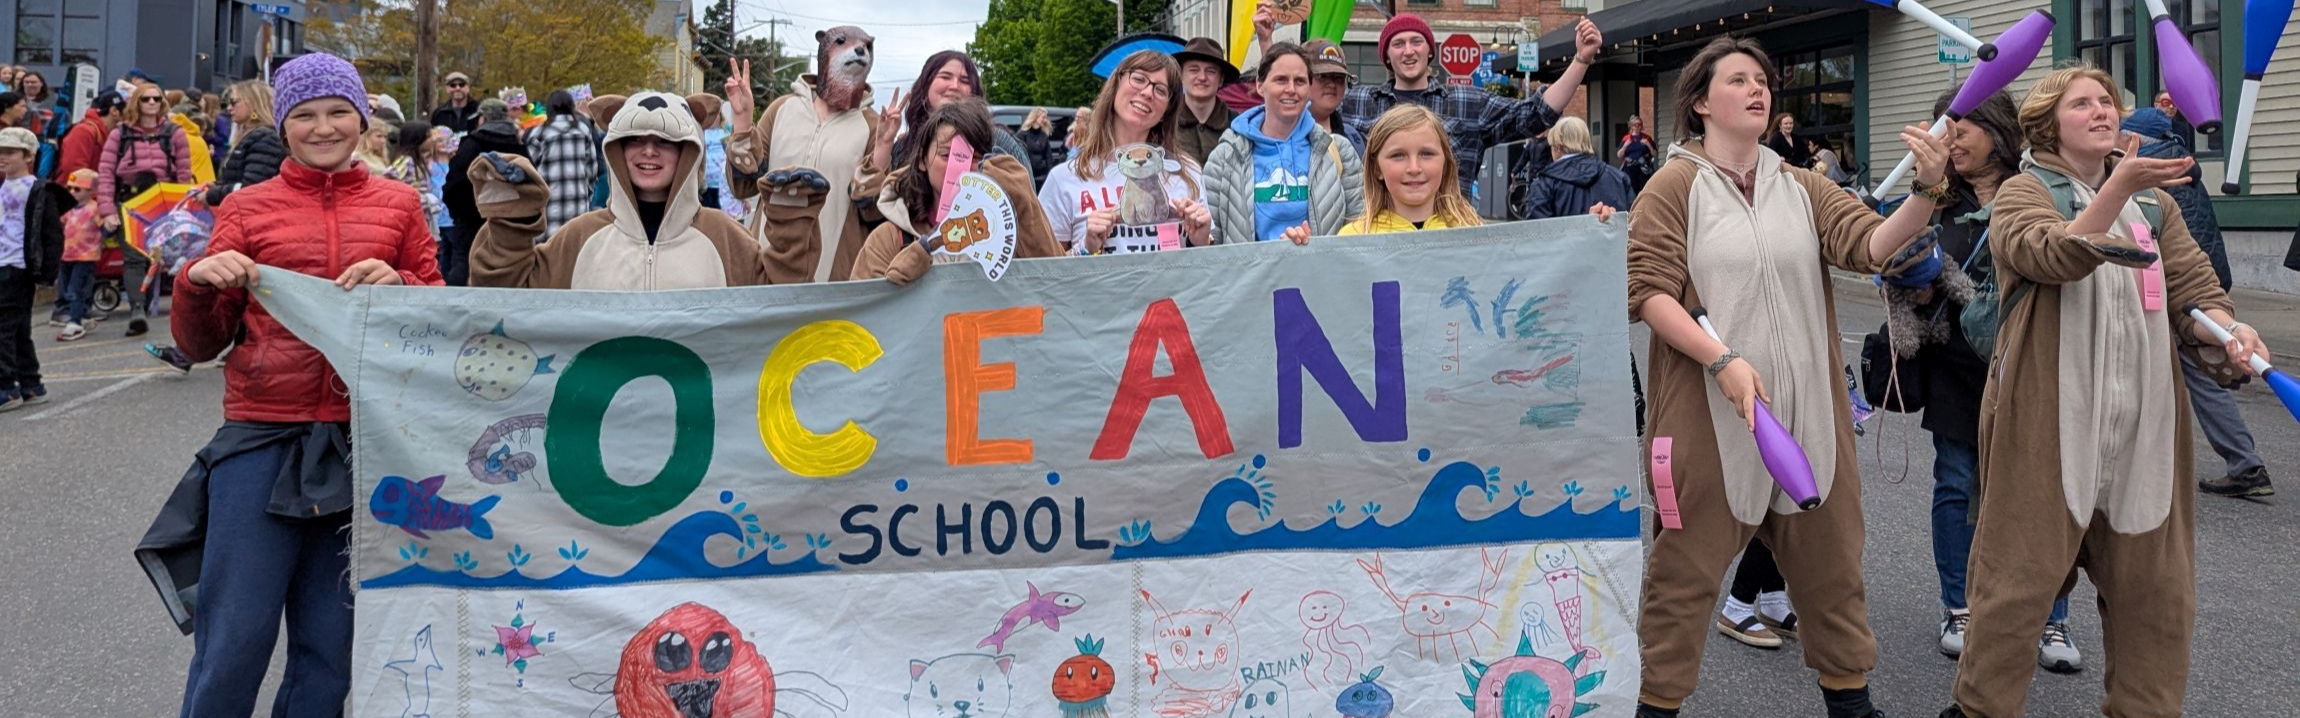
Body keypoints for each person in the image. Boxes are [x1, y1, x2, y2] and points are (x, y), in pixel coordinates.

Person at [1625, 36, 1948, 718]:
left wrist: (1924, 191)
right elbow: (1649, 293)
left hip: (1810, 419)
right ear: (1701, 102)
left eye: (1763, 80)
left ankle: (1851, 704)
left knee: (1834, 578)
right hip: (1709, 421)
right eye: (1738, 79)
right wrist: (1722, 361)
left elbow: (1871, 247)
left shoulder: (1802, 185)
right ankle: (1656, 705)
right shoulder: (1673, 185)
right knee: (1680, 584)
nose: (1757, 89)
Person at [1941, 62, 2269, 718]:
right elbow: (2048, 255)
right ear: (2046, 124)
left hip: (2145, 435)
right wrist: (2117, 186)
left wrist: (2230, 334)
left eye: (2107, 101)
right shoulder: (2023, 193)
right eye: (2082, 103)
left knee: (2158, 609)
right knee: (2012, 600)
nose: (2102, 111)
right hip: (2048, 430)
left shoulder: (2156, 204)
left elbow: (2196, 292)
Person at [152, 53, 441, 718]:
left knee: (331, 650)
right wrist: (196, 282)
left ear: (362, 118)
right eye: (305, 115)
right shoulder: (248, 208)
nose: (324, 127)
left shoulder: (400, 205)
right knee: (233, 641)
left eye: (339, 111)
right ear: (283, 126)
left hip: (364, 444)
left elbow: (437, 315)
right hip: (261, 436)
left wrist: (401, 287)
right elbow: (201, 344)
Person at [1887, 88, 2087, 673]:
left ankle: (2050, 616)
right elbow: (1896, 260)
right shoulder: (1935, 201)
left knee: (2042, 494)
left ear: (1998, 128)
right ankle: (1960, 607)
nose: (1953, 139)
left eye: (1965, 125)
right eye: (1947, 129)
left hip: (2033, 363)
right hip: (1958, 366)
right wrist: (1911, 282)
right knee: (1956, 482)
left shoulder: (2041, 192)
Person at [467, 92, 789, 290]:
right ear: (615, 149)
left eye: (665, 141)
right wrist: (510, 221)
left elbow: (780, 304)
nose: (648, 151)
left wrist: (793, 220)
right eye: (635, 139)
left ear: (689, 152)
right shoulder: (580, 237)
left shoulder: (723, 236)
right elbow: (506, 295)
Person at [2119, 105, 2274, 497]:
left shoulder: (2157, 178)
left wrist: (2214, 317)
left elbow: (2175, 250)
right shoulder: (2175, 167)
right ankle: (2244, 464)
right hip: (2199, 285)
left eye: (2124, 134)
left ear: (2137, 140)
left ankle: (2243, 465)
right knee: (2196, 376)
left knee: (2186, 376)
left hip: (2184, 290)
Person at [1340, 13, 1603, 192]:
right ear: (1386, 55)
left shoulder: (1467, 101)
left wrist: (1581, 60)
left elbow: (1536, 114)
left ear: (1430, 50)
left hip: (1451, 239)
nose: (1408, 51)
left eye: (1416, 42)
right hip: (1381, 239)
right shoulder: (1358, 102)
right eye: (1398, 44)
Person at [720, 26, 881, 283]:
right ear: (824, 50)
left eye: (867, 46)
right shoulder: (782, 109)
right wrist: (742, 122)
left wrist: (880, 163)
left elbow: (873, 211)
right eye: (843, 42)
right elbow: (744, 186)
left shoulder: (873, 125)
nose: (860, 50)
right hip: (767, 269)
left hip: (833, 279)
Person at [851, 99, 1064, 284]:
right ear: (922, 160)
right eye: (947, 155)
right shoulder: (891, 237)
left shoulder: (1006, 232)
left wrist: (1025, 204)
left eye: (976, 157)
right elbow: (863, 314)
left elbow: (1060, 285)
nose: (962, 167)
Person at [1036, 50, 1215, 254]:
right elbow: (1046, 272)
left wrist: (1200, 241)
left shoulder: (1187, 173)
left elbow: (1205, 268)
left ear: (1167, 110)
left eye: (1161, 90)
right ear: (1115, 86)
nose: (1147, 93)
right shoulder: (1065, 178)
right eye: (1139, 79)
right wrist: (1086, 247)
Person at [1203, 42, 1366, 245]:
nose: (1291, 89)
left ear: (1308, 88)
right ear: (1260, 85)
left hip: (1320, 273)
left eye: (1299, 81)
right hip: (1252, 276)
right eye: (1281, 80)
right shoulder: (1225, 156)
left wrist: (1312, 248)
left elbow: (1360, 230)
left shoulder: (1338, 152)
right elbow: (1212, 241)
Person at [97, 80, 194, 337]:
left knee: (158, 257)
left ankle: (149, 303)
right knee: (133, 258)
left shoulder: (175, 133)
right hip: (129, 201)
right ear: (135, 102)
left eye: (156, 98)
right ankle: (137, 310)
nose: (152, 103)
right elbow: (105, 173)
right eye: (145, 99)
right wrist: (107, 210)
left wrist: (181, 209)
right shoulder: (120, 134)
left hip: (162, 202)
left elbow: (184, 174)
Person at [0, 126, 67, 412]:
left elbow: (52, 236)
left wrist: (47, 273)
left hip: (19, 265)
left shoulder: (39, 190)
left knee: (3, 328)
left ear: (28, 156)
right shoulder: (2, 185)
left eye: (10, 152)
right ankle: (31, 383)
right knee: (16, 328)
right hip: (3, 261)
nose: (3, 158)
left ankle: (6, 387)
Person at [878, 51, 1032, 175]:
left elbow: (1028, 205)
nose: (955, 86)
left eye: (965, 81)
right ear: (926, 85)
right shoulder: (904, 147)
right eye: (945, 77)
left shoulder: (999, 141)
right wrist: (884, 144)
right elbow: (873, 206)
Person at [1337, 105, 1481, 234]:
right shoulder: (1355, 237)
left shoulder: (1471, 232)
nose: (1414, 168)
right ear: (1377, 168)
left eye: (1426, 154)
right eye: (1398, 155)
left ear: (1445, 163)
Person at [439, 98, 526, 285]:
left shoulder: (471, 144)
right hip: (510, 221)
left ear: (483, 119)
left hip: (470, 219)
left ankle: (455, 308)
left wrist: (459, 214)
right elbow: (530, 180)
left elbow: (453, 183)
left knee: (464, 264)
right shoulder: (519, 146)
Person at [524, 90, 603, 235]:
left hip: (548, 209)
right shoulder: (583, 130)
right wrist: (586, 194)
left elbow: (527, 170)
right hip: (578, 207)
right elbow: (592, 170)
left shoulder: (539, 133)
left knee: (549, 252)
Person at [1524, 116, 1632, 220]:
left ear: (1557, 147)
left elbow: (1537, 233)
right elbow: (1634, 223)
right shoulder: (1619, 178)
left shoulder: (1545, 184)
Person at [204, 80, 286, 207]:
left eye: (234, 102)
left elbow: (251, 188)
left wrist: (212, 195)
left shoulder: (265, 138)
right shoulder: (257, 136)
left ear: (254, 103)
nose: (229, 108)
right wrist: (219, 186)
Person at [1171, 37, 1240, 164]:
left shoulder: (1238, 125)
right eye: (1194, 70)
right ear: (1180, 75)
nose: (1202, 77)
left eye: (1211, 71)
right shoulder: (1165, 121)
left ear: (1221, 79)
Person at [54, 169, 101, 341]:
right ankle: (83, 315)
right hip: (67, 255)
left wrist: (110, 226)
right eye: (70, 188)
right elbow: (60, 224)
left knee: (76, 289)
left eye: (77, 189)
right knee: (66, 289)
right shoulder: (68, 208)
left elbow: (104, 226)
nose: (72, 192)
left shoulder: (94, 209)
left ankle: (74, 321)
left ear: (91, 191)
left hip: (85, 256)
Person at [53, 91, 122, 181]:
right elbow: (74, 170)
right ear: (114, 111)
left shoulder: (107, 133)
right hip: (73, 193)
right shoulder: (84, 131)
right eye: (127, 111)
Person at [1301, 40, 1353, 137]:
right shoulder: (1278, 135)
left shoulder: (1354, 139)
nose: (1332, 85)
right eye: (1322, 76)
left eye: (1339, 78)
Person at [1015, 107, 1058, 188]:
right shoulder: (1022, 135)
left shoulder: (1044, 135)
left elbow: (1048, 156)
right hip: (1028, 175)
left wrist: (1050, 175)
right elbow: (1017, 155)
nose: (1045, 120)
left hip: (1042, 176)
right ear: (1035, 117)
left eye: (1046, 117)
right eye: (1043, 117)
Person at [1620, 114, 1658, 193]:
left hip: (1643, 170)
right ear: (1632, 126)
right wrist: (1625, 146)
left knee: (1644, 190)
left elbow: (1655, 154)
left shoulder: (1647, 138)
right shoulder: (1626, 138)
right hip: (1629, 170)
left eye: (1639, 125)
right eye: (1635, 125)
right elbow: (1619, 155)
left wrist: (1648, 145)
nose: (1637, 127)